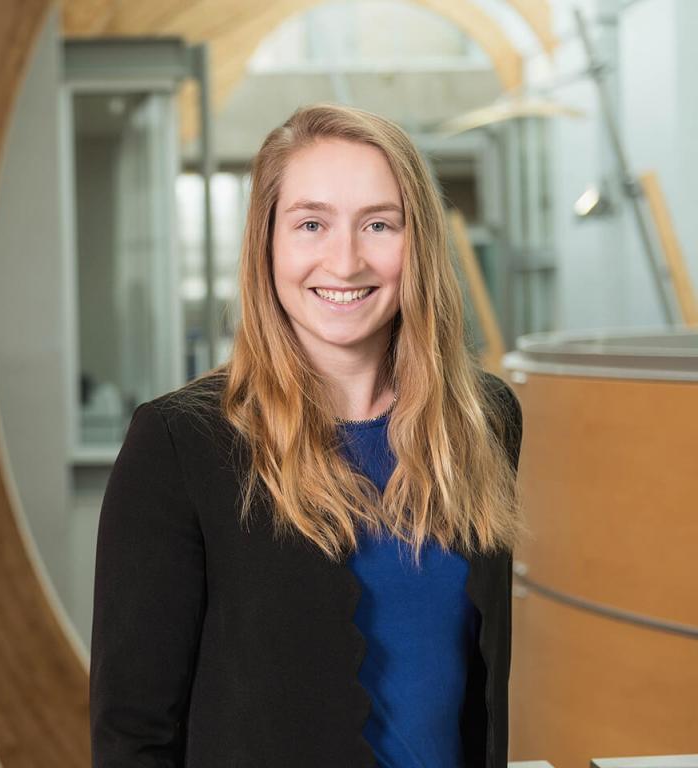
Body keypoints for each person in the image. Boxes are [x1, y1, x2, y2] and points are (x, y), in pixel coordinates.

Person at [89, 104, 524, 768]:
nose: (345, 261)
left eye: (379, 224)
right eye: (311, 224)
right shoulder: (182, 444)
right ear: (268, 243)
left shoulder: (483, 419)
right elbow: (133, 732)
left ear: (420, 245)